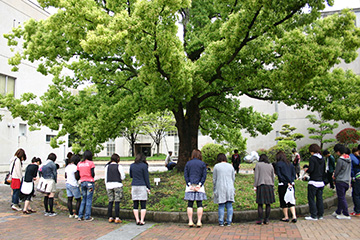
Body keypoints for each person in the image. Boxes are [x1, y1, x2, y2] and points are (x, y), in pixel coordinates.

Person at [184, 149, 207, 228]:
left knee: (190, 204)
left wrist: (189, 184)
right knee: (199, 204)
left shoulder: (188, 163)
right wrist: (199, 185)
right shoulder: (202, 164)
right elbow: (204, 175)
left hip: (190, 187)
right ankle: (199, 221)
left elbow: (186, 175)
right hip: (199, 187)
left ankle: (190, 221)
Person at [304, 144, 325, 221]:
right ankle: (320, 214)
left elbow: (311, 169)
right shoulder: (322, 158)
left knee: (311, 198)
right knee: (319, 198)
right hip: (320, 181)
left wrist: (307, 170)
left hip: (313, 181)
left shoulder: (312, 158)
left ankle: (313, 215)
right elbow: (323, 170)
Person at [213, 153, 235, 226]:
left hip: (220, 186)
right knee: (229, 205)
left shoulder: (216, 166)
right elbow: (233, 178)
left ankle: (221, 222)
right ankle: (229, 221)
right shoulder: (230, 166)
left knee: (221, 205)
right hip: (230, 187)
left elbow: (214, 179)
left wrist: (214, 188)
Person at [275, 151, 297, 223]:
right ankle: (294, 216)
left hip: (282, 184)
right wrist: (291, 182)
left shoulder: (278, 164)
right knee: (291, 199)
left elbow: (279, 175)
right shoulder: (290, 164)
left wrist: (285, 182)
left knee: (283, 200)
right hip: (291, 184)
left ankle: (286, 216)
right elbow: (294, 174)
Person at [130, 153, 151, 225]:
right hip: (142, 185)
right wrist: (149, 187)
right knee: (143, 204)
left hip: (134, 185)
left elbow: (131, 175)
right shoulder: (144, 166)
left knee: (135, 203)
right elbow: (146, 177)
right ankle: (142, 220)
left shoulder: (132, 165)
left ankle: (137, 220)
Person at [254, 154, 275, 225]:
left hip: (261, 185)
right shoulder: (270, 165)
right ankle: (267, 219)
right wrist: (273, 185)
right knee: (268, 204)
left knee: (260, 203)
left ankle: (260, 219)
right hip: (269, 185)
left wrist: (255, 185)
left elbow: (256, 176)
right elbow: (273, 176)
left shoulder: (258, 165)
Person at [332, 143, 351, 219]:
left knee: (341, 197)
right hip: (346, 180)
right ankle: (338, 211)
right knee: (341, 197)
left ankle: (346, 213)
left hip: (340, 180)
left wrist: (334, 176)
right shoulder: (349, 158)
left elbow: (337, 170)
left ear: (338, 151)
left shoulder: (340, 160)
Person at [105, 153, 125, 224]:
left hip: (109, 185)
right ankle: (117, 217)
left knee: (110, 201)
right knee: (117, 201)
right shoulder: (119, 166)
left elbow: (106, 177)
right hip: (117, 185)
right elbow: (122, 176)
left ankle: (110, 217)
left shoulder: (107, 167)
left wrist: (106, 185)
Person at [76, 150, 96, 222]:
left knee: (83, 199)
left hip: (82, 182)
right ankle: (87, 216)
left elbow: (77, 174)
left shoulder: (79, 163)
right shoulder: (91, 163)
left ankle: (80, 215)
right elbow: (93, 174)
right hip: (90, 183)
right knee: (89, 199)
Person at [65, 154, 81, 219]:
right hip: (73, 184)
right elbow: (76, 177)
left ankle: (71, 213)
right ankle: (76, 213)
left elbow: (65, 176)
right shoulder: (75, 167)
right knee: (78, 199)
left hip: (67, 183)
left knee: (69, 199)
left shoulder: (67, 166)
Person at [350, 146, 360, 216]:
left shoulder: (353, 158)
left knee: (356, 194)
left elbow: (351, 169)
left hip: (357, 177)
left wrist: (352, 177)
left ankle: (357, 210)